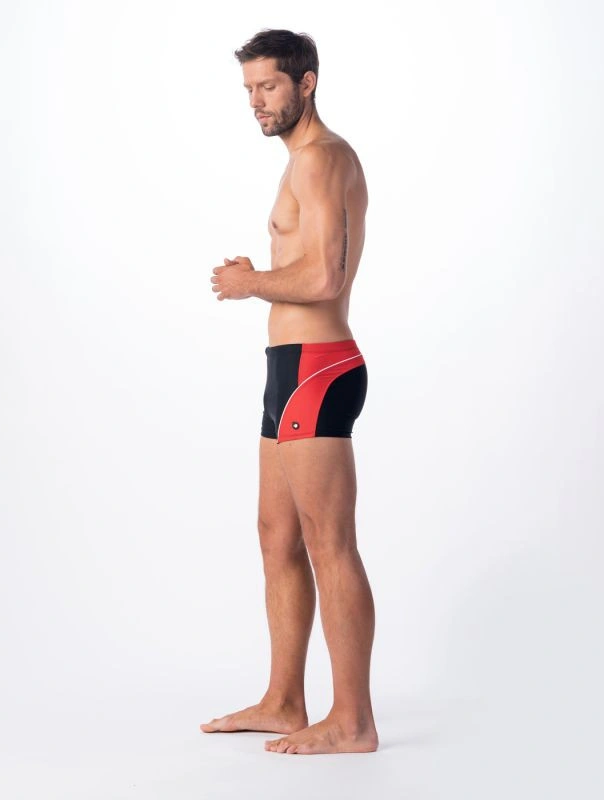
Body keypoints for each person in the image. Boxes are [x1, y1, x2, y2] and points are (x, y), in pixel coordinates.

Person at [201, 29, 379, 756]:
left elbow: (326, 277)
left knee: (328, 542)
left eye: (268, 86)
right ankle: (283, 701)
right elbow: (303, 264)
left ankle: (353, 720)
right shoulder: (299, 164)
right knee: (276, 535)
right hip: (287, 370)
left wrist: (250, 283)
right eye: (249, 89)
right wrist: (263, 276)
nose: (256, 101)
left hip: (319, 367)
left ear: (306, 83)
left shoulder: (321, 158)